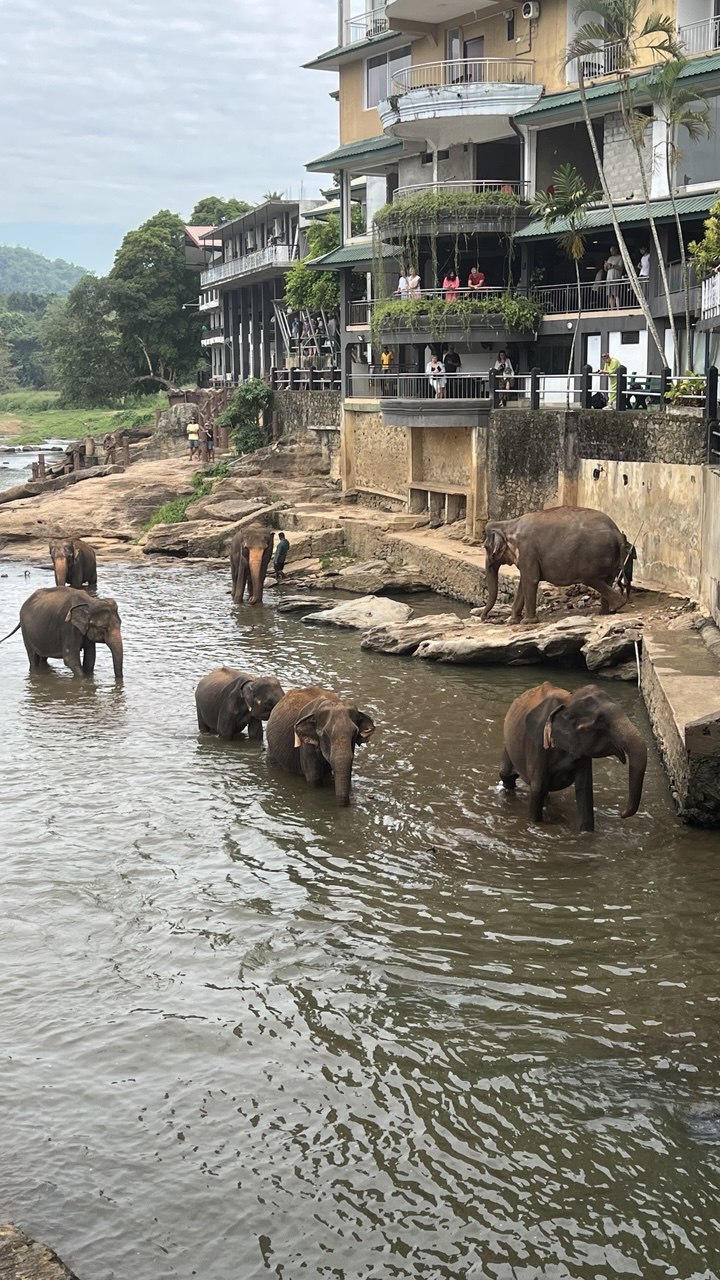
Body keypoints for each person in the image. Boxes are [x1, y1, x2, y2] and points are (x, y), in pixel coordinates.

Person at [604, 244, 624, 309]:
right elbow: (606, 270)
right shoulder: (609, 258)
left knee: (616, 294)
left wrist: (612, 265)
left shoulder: (620, 257)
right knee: (609, 295)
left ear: (616, 250)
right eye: (611, 251)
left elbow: (621, 268)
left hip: (615, 278)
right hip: (609, 278)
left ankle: (618, 308)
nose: (611, 252)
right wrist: (605, 265)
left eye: (613, 251)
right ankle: (612, 308)